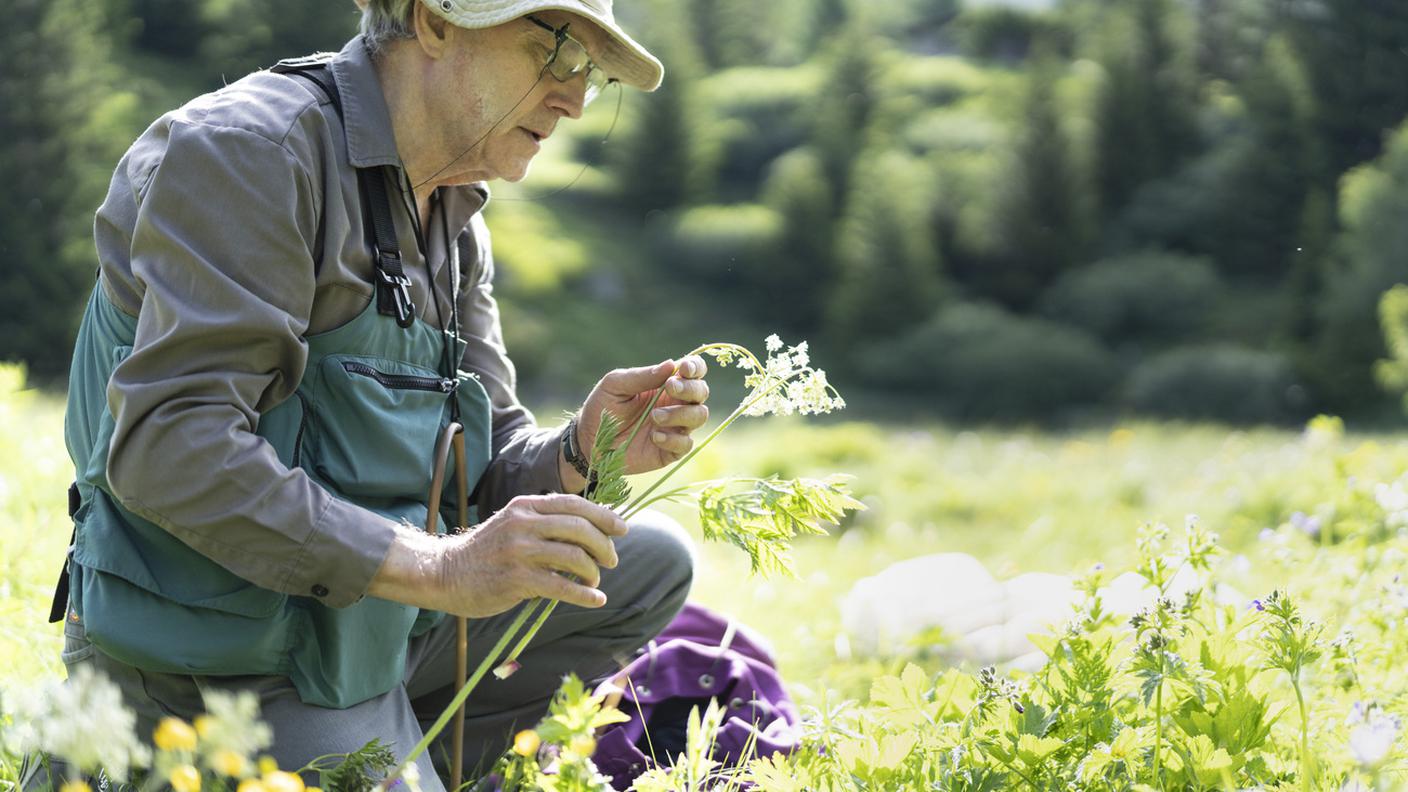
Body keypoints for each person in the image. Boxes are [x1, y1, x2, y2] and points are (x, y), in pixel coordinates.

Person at [41, 0, 706, 787]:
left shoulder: (455, 217)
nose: (574, 100)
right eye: (551, 53)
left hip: (369, 635)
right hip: (222, 660)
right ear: (433, 21)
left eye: (589, 74)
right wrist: (441, 570)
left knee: (651, 564)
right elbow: (170, 451)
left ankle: (409, 757)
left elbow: (481, 474)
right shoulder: (252, 154)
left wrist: (576, 452)